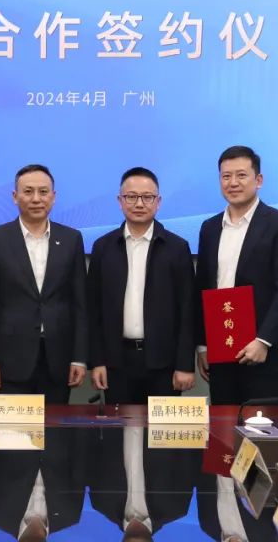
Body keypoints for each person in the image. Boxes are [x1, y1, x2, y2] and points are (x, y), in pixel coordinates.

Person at [196, 145, 278, 405]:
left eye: (241, 175)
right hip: (220, 351)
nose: (233, 183)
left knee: (261, 427)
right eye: (226, 176)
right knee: (223, 424)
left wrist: (264, 340)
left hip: (264, 354)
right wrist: (203, 346)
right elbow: (202, 288)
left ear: (259, 180)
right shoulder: (210, 228)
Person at [0, 164, 87, 404]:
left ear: (53, 197)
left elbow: (79, 304)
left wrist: (79, 358)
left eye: (43, 192)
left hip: (58, 359)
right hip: (9, 360)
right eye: (28, 191)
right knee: (14, 428)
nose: (36, 199)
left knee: (55, 426)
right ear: (15, 196)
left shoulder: (71, 238)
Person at [87, 167, 195, 404]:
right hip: (116, 362)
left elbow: (188, 310)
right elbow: (93, 310)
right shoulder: (103, 248)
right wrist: (97, 361)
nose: (139, 204)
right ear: (120, 201)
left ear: (158, 202)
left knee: (161, 428)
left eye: (147, 197)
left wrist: (185, 364)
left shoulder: (177, 248)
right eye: (131, 197)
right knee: (121, 426)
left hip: (164, 363)